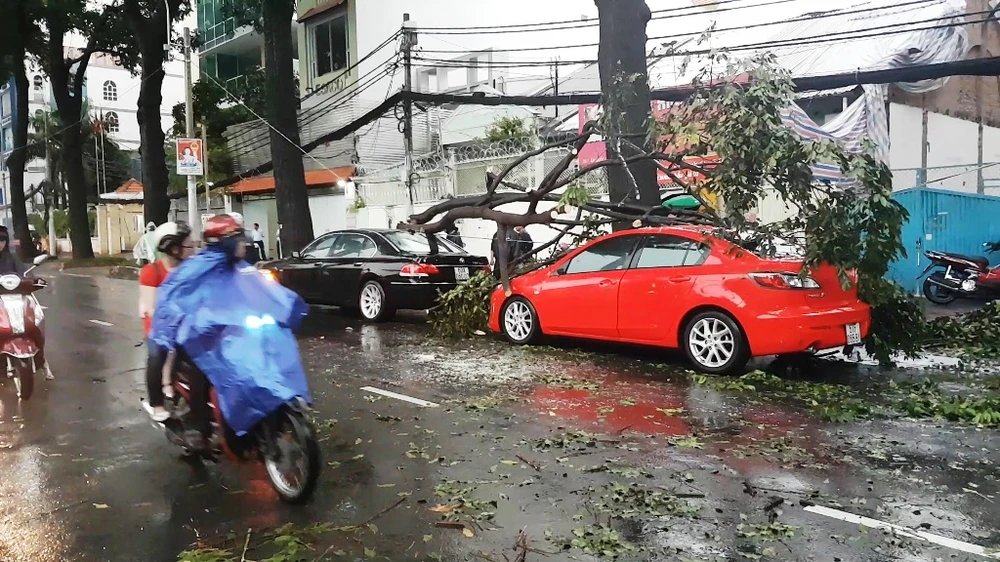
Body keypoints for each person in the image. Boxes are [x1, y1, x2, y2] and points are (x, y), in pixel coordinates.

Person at [140, 222, 195, 423]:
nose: (195, 250)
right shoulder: (151, 272)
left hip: (192, 324)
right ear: (174, 249)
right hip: (160, 327)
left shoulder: (195, 269)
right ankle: (156, 402)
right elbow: (152, 308)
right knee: (157, 355)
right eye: (190, 246)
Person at [0, 226, 54, 380]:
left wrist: (33, 279)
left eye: (2, 240)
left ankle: (41, 358)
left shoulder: (12, 259)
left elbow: (25, 273)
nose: (0, 243)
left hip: (16, 298)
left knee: (35, 321)